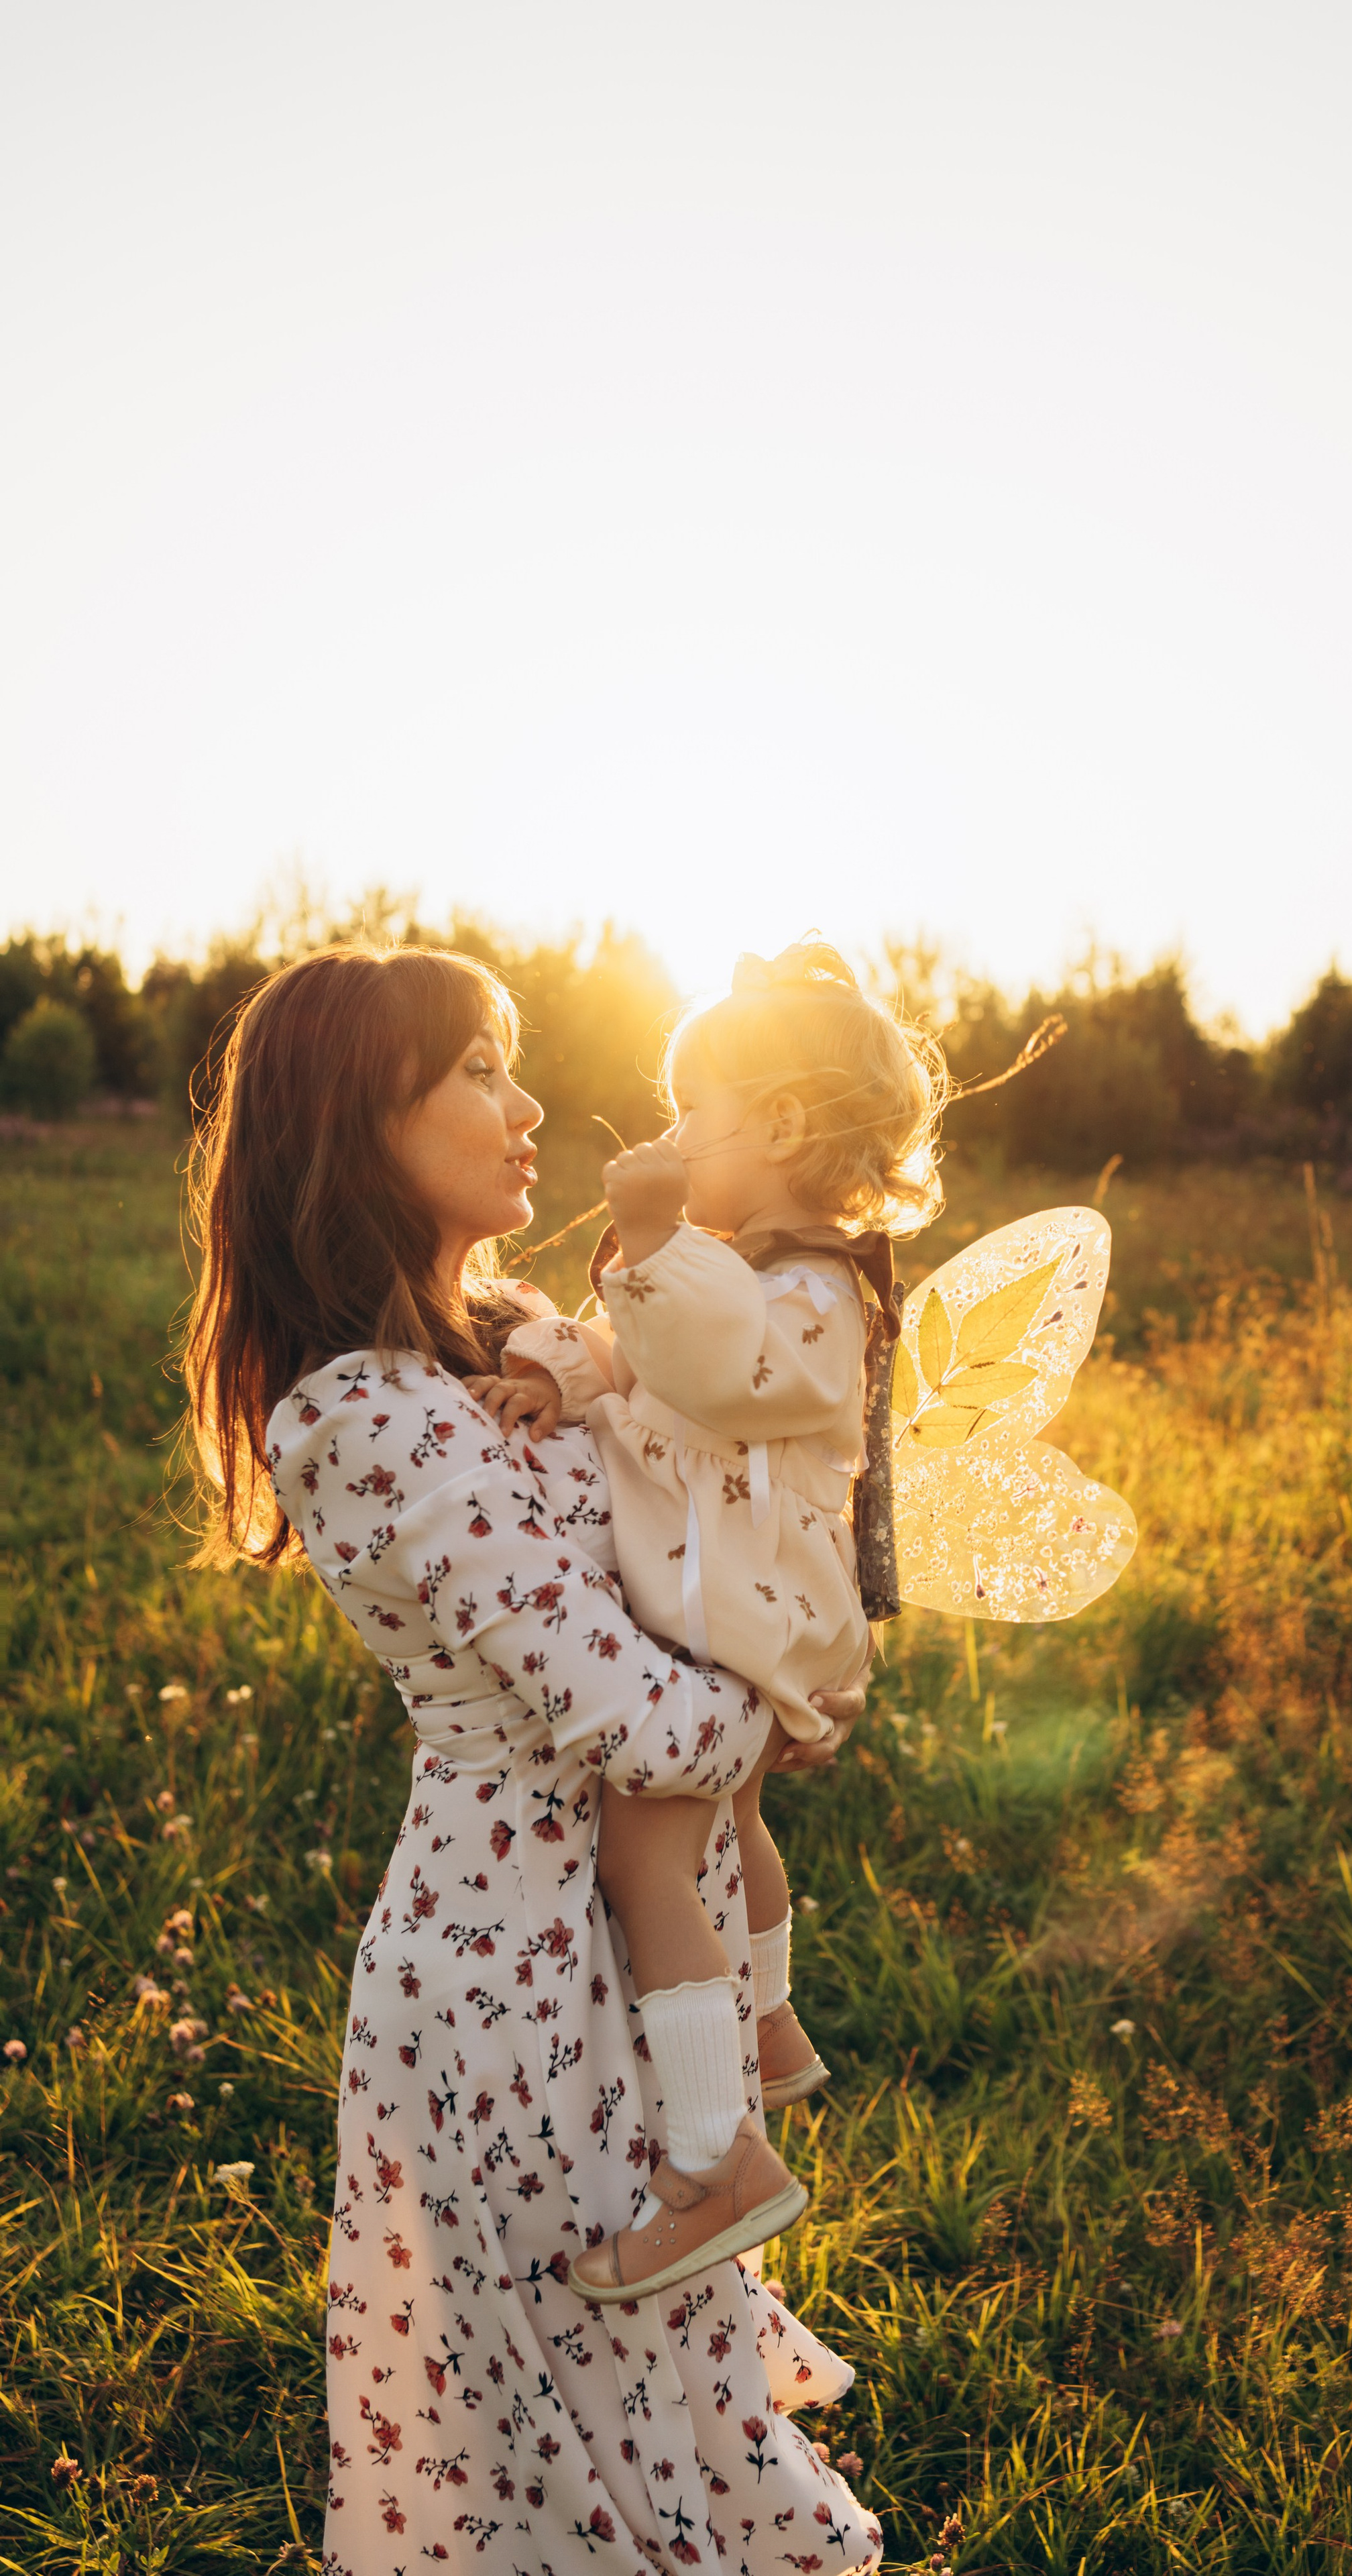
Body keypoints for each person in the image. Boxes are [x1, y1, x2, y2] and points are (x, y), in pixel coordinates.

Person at [182, 942, 882, 2576]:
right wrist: (784, 1709)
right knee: (566, 2444)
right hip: (511, 1976)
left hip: (625, 1954)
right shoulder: (360, 1415)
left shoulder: (510, 1338)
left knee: (661, 2401)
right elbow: (630, 1716)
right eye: (481, 1071)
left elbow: (708, 1474)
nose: (533, 1103)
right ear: (364, 1122)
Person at [466, 942, 947, 2304]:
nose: (673, 1139)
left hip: (728, 1629)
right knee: (732, 1829)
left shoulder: (810, 1297)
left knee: (646, 1862)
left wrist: (660, 1242)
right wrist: (554, 1372)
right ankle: (774, 2024)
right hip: (732, 1618)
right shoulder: (758, 1280)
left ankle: (709, 2159)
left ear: (781, 1129)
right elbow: (638, 1364)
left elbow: (714, 1371)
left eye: (697, 1117)